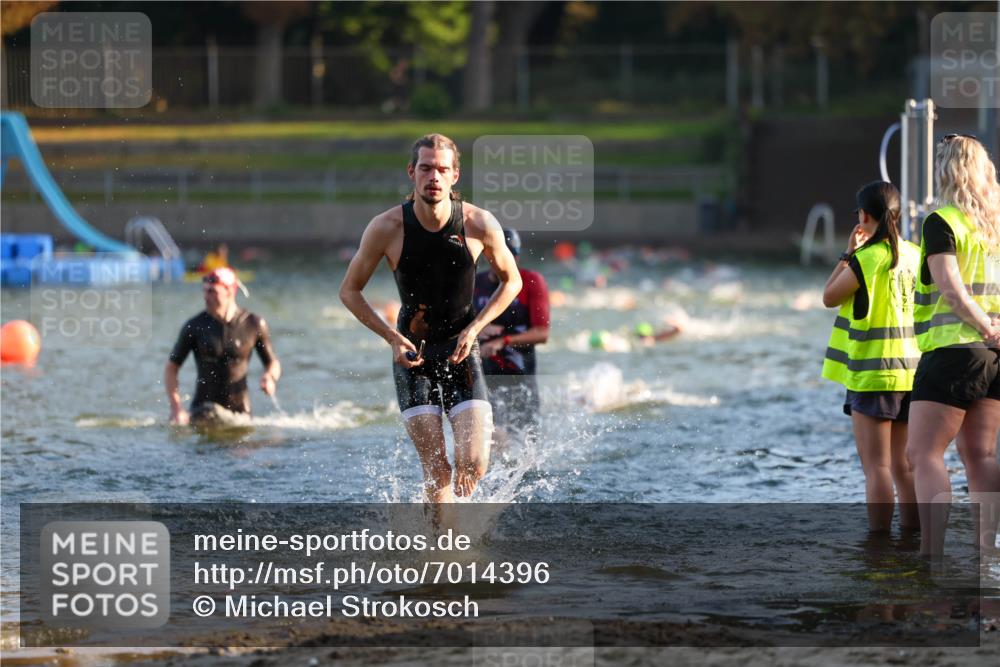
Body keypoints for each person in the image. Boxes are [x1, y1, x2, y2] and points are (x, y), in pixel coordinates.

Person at [339, 134, 522, 503]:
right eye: (426, 168)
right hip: (412, 357)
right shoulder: (386, 227)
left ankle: (455, 530)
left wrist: (476, 328)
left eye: (442, 169)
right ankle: (441, 549)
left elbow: (512, 281)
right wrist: (391, 337)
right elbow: (349, 291)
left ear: (455, 175)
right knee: (437, 469)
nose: (433, 177)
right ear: (412, 172)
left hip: (461, 349)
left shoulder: (478, 223)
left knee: (474, 465)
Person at [905, 134, 1000, 556]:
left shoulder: (941, 220)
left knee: (923, 453)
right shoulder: (994, 224)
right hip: (994, 356)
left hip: (954, 350)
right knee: (980, 456)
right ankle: (986, 552)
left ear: (944, 170)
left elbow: (950, 289)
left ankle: (932, 553)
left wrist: (983, 326)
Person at [822, 181, 921, 533]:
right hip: (914, 373)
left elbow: (829, 297)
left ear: (864, 216)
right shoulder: (915, 254)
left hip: (874, 374)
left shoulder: (865, 259)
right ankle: (913, 538)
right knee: (904, 466)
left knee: (876, 467)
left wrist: (847, 253)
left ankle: (878, 544)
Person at [165, 267, 281, 426]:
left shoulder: (253, 324)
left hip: (240, 416)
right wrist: (176, 408)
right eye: (205, 291)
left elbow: (272, 363)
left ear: (230, 291)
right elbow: (171, 368)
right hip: (202, 412)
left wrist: (270, 377)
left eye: (212, 291)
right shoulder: (195, 326)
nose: (206, 297)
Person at [474, 228, 550, 446]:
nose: (507, 260)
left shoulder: (531, 281)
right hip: (485, 373)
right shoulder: (474, 284)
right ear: (489, 255)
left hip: (521, 374)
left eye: (512, 255)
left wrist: (503, 341)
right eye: (500, 254)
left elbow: (542, 333)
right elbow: (455, 325)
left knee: (526, 443)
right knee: (493, 439)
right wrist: (479, 328)